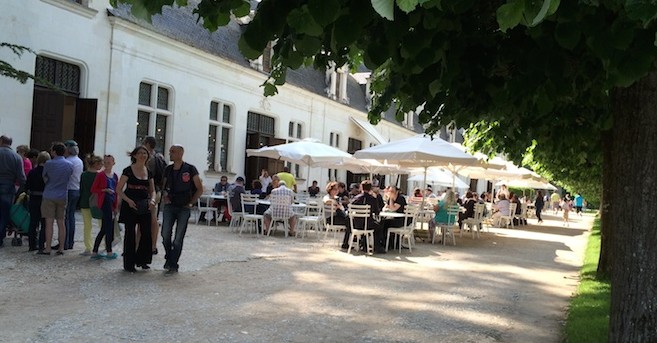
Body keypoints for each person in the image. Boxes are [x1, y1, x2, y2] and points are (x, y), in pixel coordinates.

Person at [161, 144, 203, 274]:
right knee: (165, 234)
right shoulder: (168, 169)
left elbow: (200, 188)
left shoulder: (190, 169)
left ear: (180, 153)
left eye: (172, 152)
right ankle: (169, 256)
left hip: (184, 207)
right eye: (170, 152)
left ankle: (173, 263)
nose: (170, 154)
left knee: (178, 238)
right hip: (170, 205)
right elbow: (162, 186)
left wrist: (191, 203)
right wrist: (164, 196)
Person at [117, 146, 156, 272]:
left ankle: (143, 260)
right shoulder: (128, 170)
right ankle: (129, 264)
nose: (142, 155)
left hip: (144, 204)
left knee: (146, 232)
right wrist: (128, 200)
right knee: (130, 234)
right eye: (139, 153)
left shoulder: (148, 171)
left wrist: (153, 200)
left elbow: (153, 190)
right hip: (130, 204)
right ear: (134, 155)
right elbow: (119, 189)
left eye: (144, 153)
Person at [39, 142, 73, 255]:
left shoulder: (49, 163)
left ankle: (48, 247)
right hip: (63, 194)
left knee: (49, 222)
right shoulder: (69, 164)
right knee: (61, 222)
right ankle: (61, 247)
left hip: (49, 194)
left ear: (54, 152)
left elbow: (45, 177)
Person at [341, 180, 383, 253]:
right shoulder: (373, 199)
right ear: (370, 189)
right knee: (379, 227)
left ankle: (347, 242)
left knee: (349, 221)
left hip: (356, 224)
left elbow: (350, 209)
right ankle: (377, 247)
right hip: (368, 224)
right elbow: (377, 212)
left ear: (361, 188)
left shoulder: (356, 198)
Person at [90, 155, 119, 259]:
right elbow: (93, 189)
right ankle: (109, 251)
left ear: (113, 163)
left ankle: (95, 251)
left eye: (109, 162)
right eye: (105, 162)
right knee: (108, 228)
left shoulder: (115, 176)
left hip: (111, 202)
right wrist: (104, 190)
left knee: (104, 228)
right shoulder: (101, 175)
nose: (107, 164)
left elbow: (116, 192)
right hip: (104, 202)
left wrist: (116, 206)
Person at [143, 136, 168, 255]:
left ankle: (145, 245)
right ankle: (153, 245)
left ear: (147, 144)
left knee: (147, 219)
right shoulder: (161, 157)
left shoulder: (149, 159)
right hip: (158, 191)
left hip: (149, 191)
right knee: (154, 218)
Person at [0, 136, 26, 247]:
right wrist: (22, 189)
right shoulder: (17, 157)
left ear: (1, 141)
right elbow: (21, 177)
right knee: (4, 213)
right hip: (8, 186)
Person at [79, 154, 103, 255]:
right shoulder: (100, 175)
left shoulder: (84, 175)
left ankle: (88, 247)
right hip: (98, 202)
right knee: (102, 225)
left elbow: (82, 189)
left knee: (87, 226)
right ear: (96, 164)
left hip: (85, 201)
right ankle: (105, 244)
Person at [26, 151, 50, 251]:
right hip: (44, 199)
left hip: (33, 198)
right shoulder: (48, 173)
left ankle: (32, 244)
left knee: (33, 222)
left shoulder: (32, 172)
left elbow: (27, 186)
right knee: (44, 223)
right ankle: (41, 244)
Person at [63, 140, 83, 250]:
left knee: (66, 217)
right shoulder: (79, 161)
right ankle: (70, 241)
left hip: (69, 189)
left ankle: (65, 241)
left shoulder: (68, 161)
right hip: (76, 188)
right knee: (71, 216)